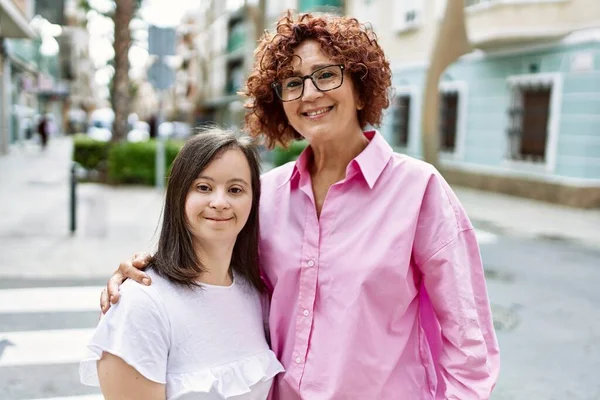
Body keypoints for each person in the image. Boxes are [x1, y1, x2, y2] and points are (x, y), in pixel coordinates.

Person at [101, 11, 500, 399]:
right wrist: (149, 271)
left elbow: (470, 342)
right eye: (292, 83)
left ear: (360, 89)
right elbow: (219, 267)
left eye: (326, 74)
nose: (309, 94)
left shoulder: (419, 190)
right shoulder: (266, 193)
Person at [81, 128, 284, 399]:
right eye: (204, 187)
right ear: (179, 196)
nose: (220, 202)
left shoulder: (256, 292)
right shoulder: (141, 303)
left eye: (236, 189)